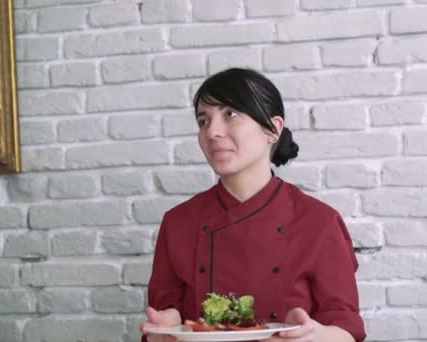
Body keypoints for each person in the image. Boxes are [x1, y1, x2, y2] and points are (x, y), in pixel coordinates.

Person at [140, 68, 366, 342]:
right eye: (203, 120)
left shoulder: (319, 222)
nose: (212, 131)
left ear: (273, 129)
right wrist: (166, 327)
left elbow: (346, 329)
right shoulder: (178, 222)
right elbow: (165, 316)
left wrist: (313, 336)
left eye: (230, 114)